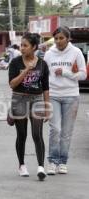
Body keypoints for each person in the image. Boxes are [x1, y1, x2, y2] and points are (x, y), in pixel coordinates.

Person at [44, 26, 87, 175]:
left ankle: (63, 162)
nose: (58, 41)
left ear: (68, 39)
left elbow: (83, 75)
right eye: (56, 38)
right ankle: (52, 161)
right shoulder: (49, 54)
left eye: (61, 38)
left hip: (71, 96)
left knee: (66, 132)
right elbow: (45, 76)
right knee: (55, 129)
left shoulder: (76, 53)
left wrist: (66, 73)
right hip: (53, 95)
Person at [8, 33, 50, 181]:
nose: (22, 48)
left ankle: (41, 167)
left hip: (37, 99)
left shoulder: (42, 64)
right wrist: (26, 71)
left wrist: (47, 107)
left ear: (34, 47)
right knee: (22, 135)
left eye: (25, 45)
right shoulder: (15, 62)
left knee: (37, 134)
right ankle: (22, 165)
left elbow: (45, 87)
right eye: (21, 45)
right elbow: (12, 84)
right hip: (19, 98)